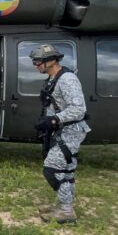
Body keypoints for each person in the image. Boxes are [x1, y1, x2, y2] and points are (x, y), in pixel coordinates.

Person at [31, 44, 90, 224]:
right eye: (34, 62)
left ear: (52, 60)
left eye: (38, 61)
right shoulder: (53, 78)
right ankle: (65, 207)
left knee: (52, 169)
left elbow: (79, 109)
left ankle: (66, 211)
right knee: (67, 171)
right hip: (61, 131)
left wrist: (54, 120)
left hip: (71, 131)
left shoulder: (67, 79)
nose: (36, 65)